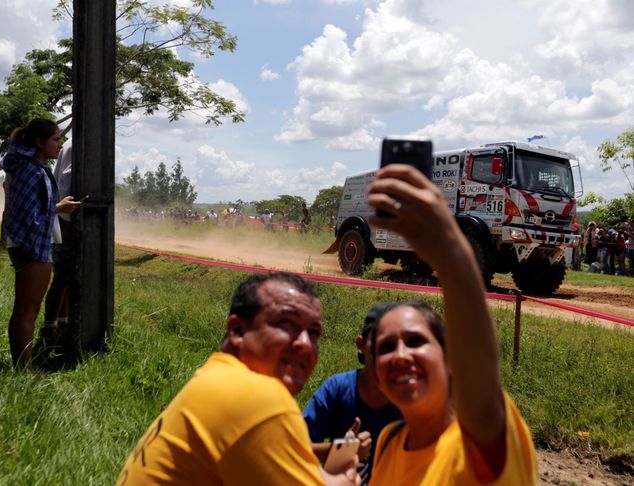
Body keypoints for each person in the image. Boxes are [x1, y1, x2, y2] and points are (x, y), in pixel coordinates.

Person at [365, 164, 536, 485]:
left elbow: (482, 401)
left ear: (450, 359)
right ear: (374, 370)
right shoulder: (388, 441)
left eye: (416, 341)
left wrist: (452, 255)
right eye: (386, 347)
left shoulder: (477, 443)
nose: (400, 355)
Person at [117, 272, 359, 486]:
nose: (305, 344)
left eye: (314, 333)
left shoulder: (215, 378)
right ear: (237, 331)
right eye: (286, 323)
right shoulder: (259, 396)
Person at [2, 119, 81, 368]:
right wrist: (60, 207)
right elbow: (30, 214)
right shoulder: (30, 170)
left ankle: (24, 364)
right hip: (30, 243)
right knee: (26, 311)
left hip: (33, 242)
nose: (60, 145)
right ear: (39, 142)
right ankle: (23, 369)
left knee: (27, 309)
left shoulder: (32, 166)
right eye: (56, 139)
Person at [304, 305, 401, 484]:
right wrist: (341, 451)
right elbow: (293, 450)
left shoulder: (413, 399)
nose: (391, 355)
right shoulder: (338, 389)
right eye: (383, 343)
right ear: (361, 345)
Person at [43, 139, 75, 344]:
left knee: (67, 275)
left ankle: (61, 322)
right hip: (67, 216)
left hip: (65, 215)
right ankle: (50, 327)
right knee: (63, 274)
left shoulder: (72, 142)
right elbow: (67, 180)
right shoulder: (78, 144)